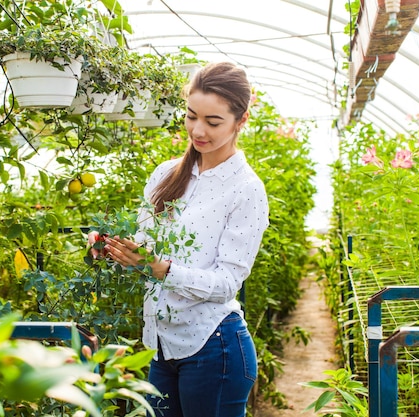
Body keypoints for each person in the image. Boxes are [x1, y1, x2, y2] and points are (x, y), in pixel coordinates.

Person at [90, 61, 269, 417]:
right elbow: (146, 241)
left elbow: (226, 283)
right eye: (191, 116)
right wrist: (114, 248)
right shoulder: (166, 175)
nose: (198, 130)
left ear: (241, 120)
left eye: (213, 122)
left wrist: (161, 269)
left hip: (214, 348)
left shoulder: (246, 189)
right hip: (162, 346)